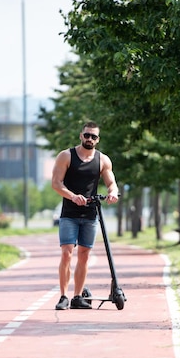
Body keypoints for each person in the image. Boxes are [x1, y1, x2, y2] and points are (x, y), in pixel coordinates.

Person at [51, 121, 119, 310]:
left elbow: (111, 183)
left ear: (98, 140)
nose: (89, 139)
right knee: (67, 253)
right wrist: (73, 196)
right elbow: (56, 183)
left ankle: (77, 297)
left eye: (93, 136)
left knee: (84, 255)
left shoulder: (103, 160)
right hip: (69, 214)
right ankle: (64, 296)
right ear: (81, 136)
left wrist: (113, 193)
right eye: (86, 135)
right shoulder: (66, 156)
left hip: (90, 214)